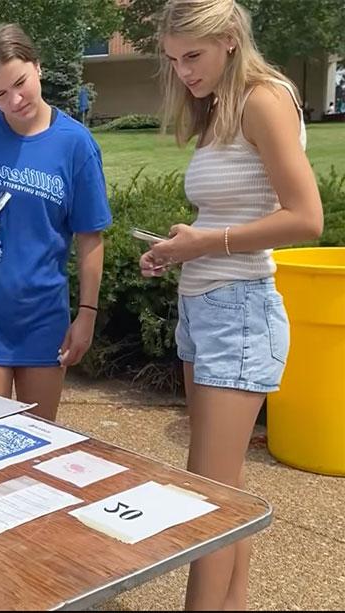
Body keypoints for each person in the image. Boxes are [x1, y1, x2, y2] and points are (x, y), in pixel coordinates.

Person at [140, 1, 323, 609]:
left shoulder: (262, 99)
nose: (184, 72)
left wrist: (206, 243)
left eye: (192, 55)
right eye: (173, 60)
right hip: (208, 304)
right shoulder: (223, 104)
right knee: (224, 495)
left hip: (239, 309)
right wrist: (179, 248)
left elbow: (306, 218)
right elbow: (231, 215)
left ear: (228, 39)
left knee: (208, 502)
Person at [0, 24, 111, 420]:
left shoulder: (76, 144)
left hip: (43, 318)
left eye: (20, 83)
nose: (15, 100)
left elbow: (90, 238)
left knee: (38, 443)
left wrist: (87, 314)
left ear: (37, 67)